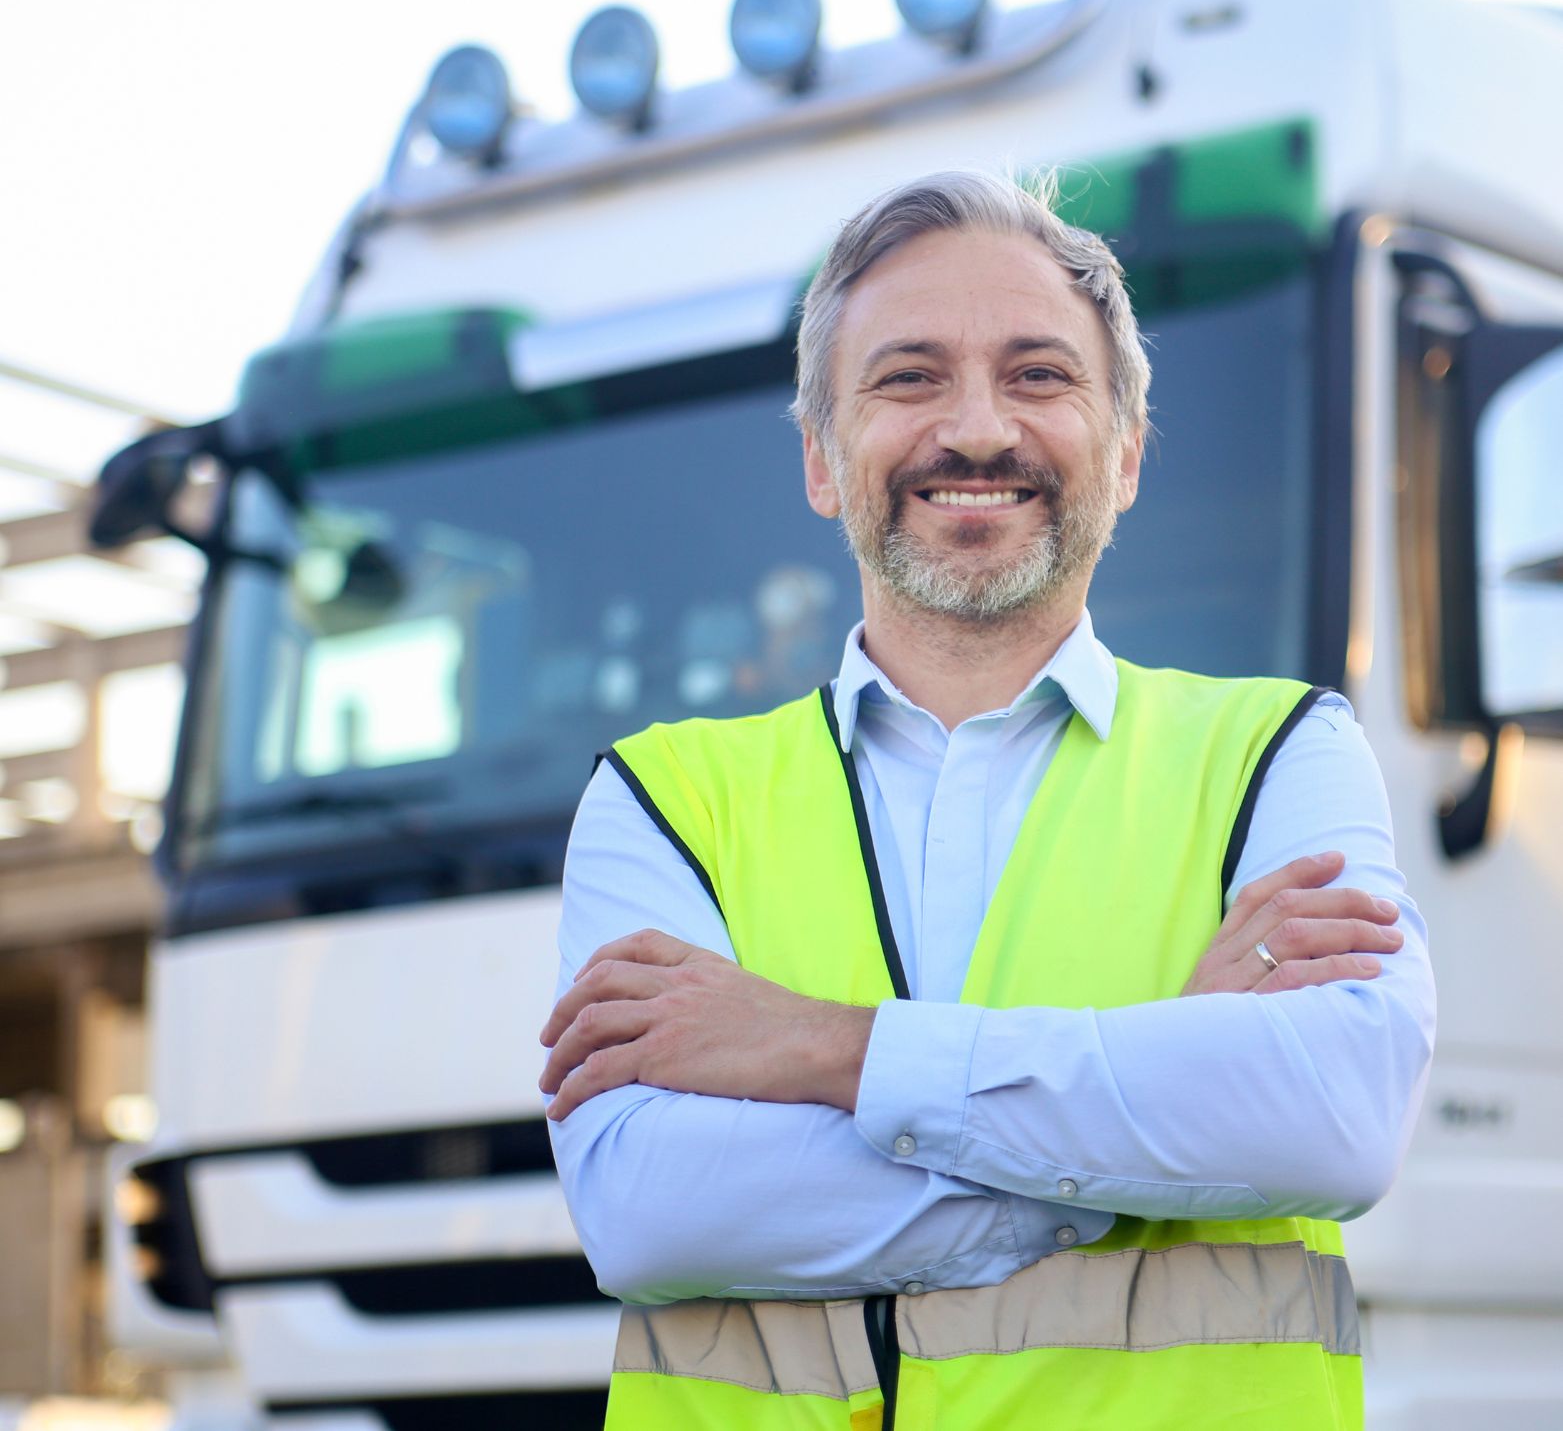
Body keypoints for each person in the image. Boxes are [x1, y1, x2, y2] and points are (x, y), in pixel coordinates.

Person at [540, 170, 1436, 1430]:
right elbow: (650, 1211)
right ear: (821, 460)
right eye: (909, 378)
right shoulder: (663, 800)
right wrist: (1150, 1122)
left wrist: (822, 1049)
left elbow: (1330, 1123)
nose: (974, 429)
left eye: (1039, 375)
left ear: (1126, 456)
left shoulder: (1283, 754)